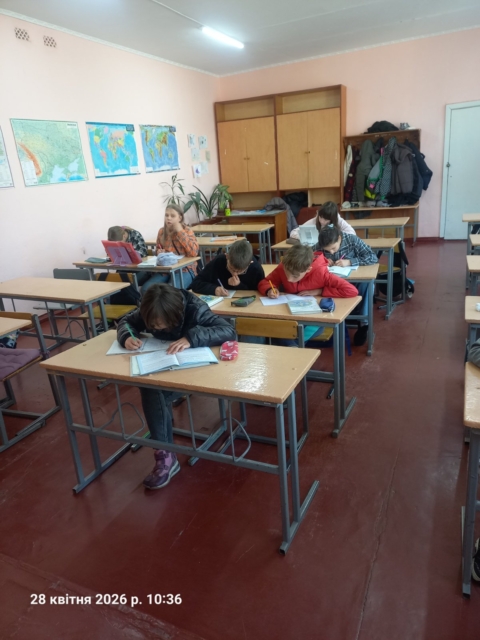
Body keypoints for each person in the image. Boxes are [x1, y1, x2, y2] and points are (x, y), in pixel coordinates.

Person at [118, 283, 236, 490]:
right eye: (152, 326)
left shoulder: (194, 309)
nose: (155, 329)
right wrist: (127, 336)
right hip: (164, 363)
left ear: (174, 315)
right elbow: (126, 321)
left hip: (196, 368)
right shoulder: (151, 308)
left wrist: (191, 338)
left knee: (153, 392)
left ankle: (164, 453)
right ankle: (164, 453)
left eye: (160, 326)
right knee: (150, 387)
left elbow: (228, 331)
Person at [257, 244, 358, 346]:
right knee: (277, 331)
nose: (289, 279)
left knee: (290, 337)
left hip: (313, 319)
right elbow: (265, 282)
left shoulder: (321, 273)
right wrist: (270, 289)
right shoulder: (284, 266)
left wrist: (321, 291)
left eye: (295, 276)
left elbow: (351, 290)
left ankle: (294, 348)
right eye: (287, 273)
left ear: (308, 269)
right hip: (289, 314)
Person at [316, 225, 378, 346]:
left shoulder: (352, 240)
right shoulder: (321, 244)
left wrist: (350, 261)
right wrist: (321, 260)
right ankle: (325, 320)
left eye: (333, 248)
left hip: (354, 281)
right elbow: (310, 257)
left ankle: (363, 324)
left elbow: (372, 257)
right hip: (333, 282)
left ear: (339, 238)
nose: (331, 252)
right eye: (327, 250)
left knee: (367, 285)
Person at [142, 204, 199, 293]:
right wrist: (159, 252)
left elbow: (194, 252)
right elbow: (158, 249)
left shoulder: (187, 231)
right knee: (146, 289)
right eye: (166, 215)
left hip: (185, 269)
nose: (168, 218)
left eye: (172, 216)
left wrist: (180, 231)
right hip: (166, 270)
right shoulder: (162, 231)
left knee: (170, 291)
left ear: (180, 218)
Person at [190, 239, 264, 296]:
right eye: (231, 268)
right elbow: (196, 283)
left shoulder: (256, 269)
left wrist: (239, 286)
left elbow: (259, 294)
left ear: (250, 263)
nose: (234, 274)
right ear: (227, 256)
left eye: (240, 271)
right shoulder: (218, 261)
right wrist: (214, 289)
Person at [289, 201, 355, 240]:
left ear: (332, 219)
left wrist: (335, 236)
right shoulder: (316, 220)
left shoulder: (339, 221)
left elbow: (352, 234)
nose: (322, 221)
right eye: (320, 217)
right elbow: (293, 232)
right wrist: (306, 237)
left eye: (326, 219)